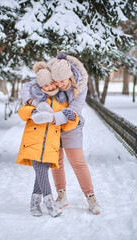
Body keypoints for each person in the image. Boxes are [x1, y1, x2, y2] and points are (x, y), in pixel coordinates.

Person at [20, 54, 100, 215]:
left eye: (62, 82)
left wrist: (51, 117)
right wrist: (33, 102)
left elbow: (74, 110)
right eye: (56, 82)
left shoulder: (81, 85)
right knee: (57, 162)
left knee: (78, 162)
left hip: (71, 126)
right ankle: (61, 195)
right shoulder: (51, 74)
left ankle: (91, 198)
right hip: (52, 130)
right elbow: (27, 86)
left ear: (70, 76)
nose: (59, 85)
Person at [16, 62, 79, 218]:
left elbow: (65, 123)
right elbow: (22, 113)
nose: (50, 87)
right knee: (42, 171)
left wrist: (73, 118)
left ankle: (34, 203)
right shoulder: (35, 101)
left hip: (51, 145)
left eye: (51, 83)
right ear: (40, 87)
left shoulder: (61, 102)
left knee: (40, 173)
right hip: (33, 142)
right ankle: (49, 204)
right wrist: (34, 111)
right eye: (45, 86)